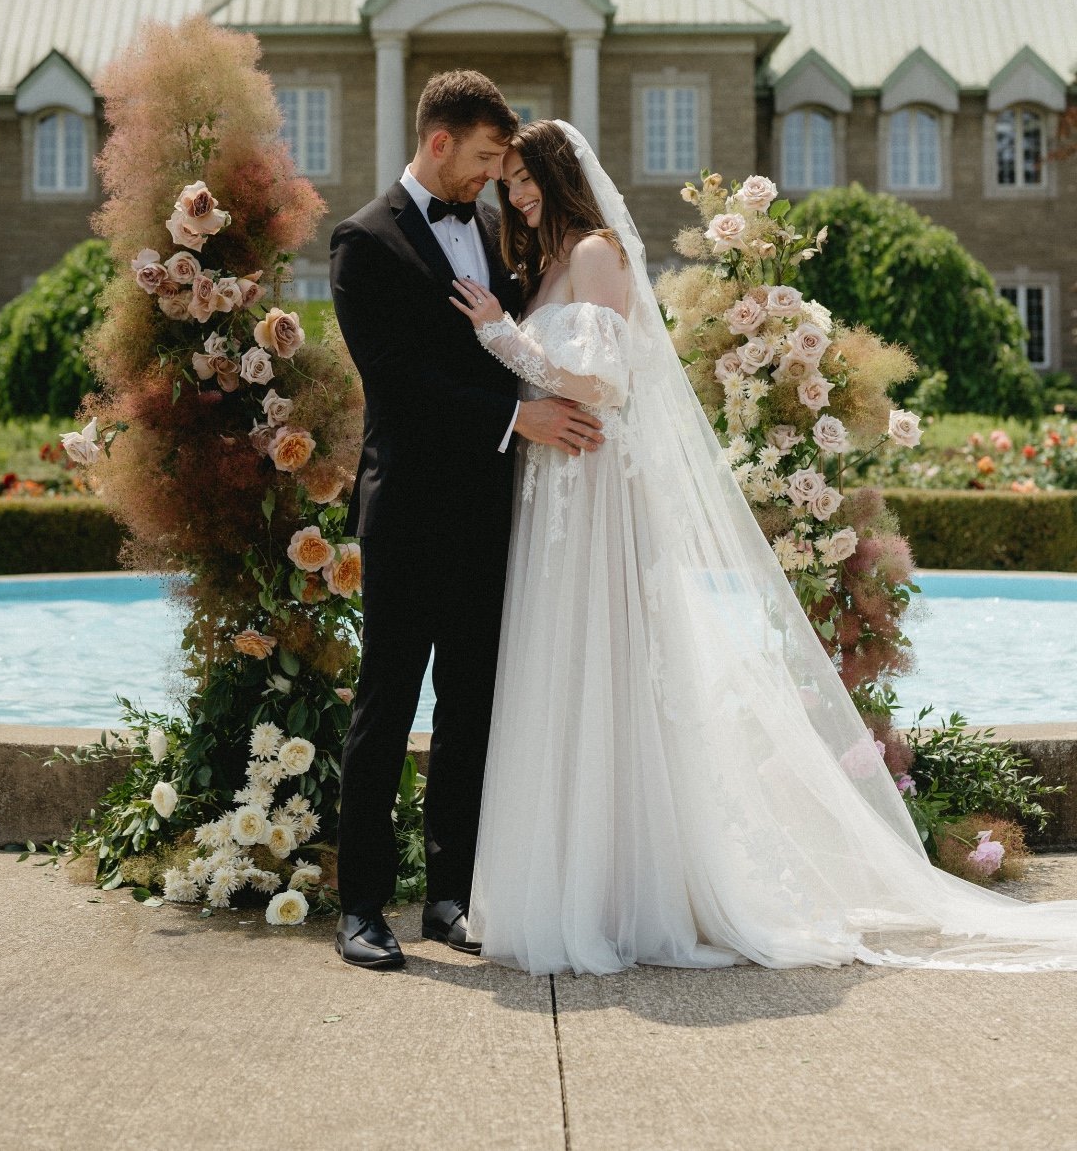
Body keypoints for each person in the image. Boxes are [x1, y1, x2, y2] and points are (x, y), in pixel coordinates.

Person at [451, 118, 1077, 975]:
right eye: (507, 183)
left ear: (560, 176)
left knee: (606, 669)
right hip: (558, 495)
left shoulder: (595, 253)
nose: (515, 194)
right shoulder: (548, 264)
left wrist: (502, 337)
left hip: (596, 499)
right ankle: (568, 882)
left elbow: (604, 382)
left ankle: (623, 893)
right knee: (562, 670)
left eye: (526, 178)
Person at [328, 73, 606, 970]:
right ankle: (361, 904)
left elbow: (523, 350)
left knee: (472, 707)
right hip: (406, 509)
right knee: (386, 703)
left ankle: (450, 894)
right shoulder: (362, 242)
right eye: (487, 157)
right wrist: (515, 420)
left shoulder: (492, 233)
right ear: (440, 142)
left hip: (492, 511)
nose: (495, 178)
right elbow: (398, 381)